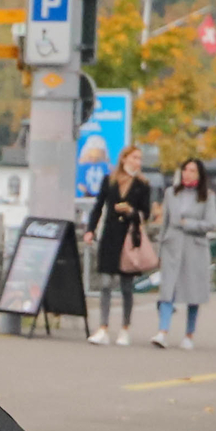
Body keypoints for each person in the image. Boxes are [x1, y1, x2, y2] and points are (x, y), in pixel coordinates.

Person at [84, 144, 152, 346]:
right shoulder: (110, 180)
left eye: (139, 158)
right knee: (105, 282)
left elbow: (146, 213)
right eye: (134, 158)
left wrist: (132, 212)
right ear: (124, 159)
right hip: (110, 235)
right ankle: (103, 327)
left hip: (129, 238)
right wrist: (90, 230)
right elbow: (98, 207)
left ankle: (125, 328)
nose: (137, 162)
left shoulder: (143, 184)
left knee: (126, 286)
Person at [152, 157, 216, 350]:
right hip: (172, 245)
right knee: (167, 289)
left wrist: (189, 224)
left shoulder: (207, 196)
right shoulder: (171, 193)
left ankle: (189, 334)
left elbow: (212, 223)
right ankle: (162, 332)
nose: (187, 174)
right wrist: (160, 248)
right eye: (185, 169)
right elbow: (164, 222)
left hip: (194, 247)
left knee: (193, 291)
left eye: (192, 170)